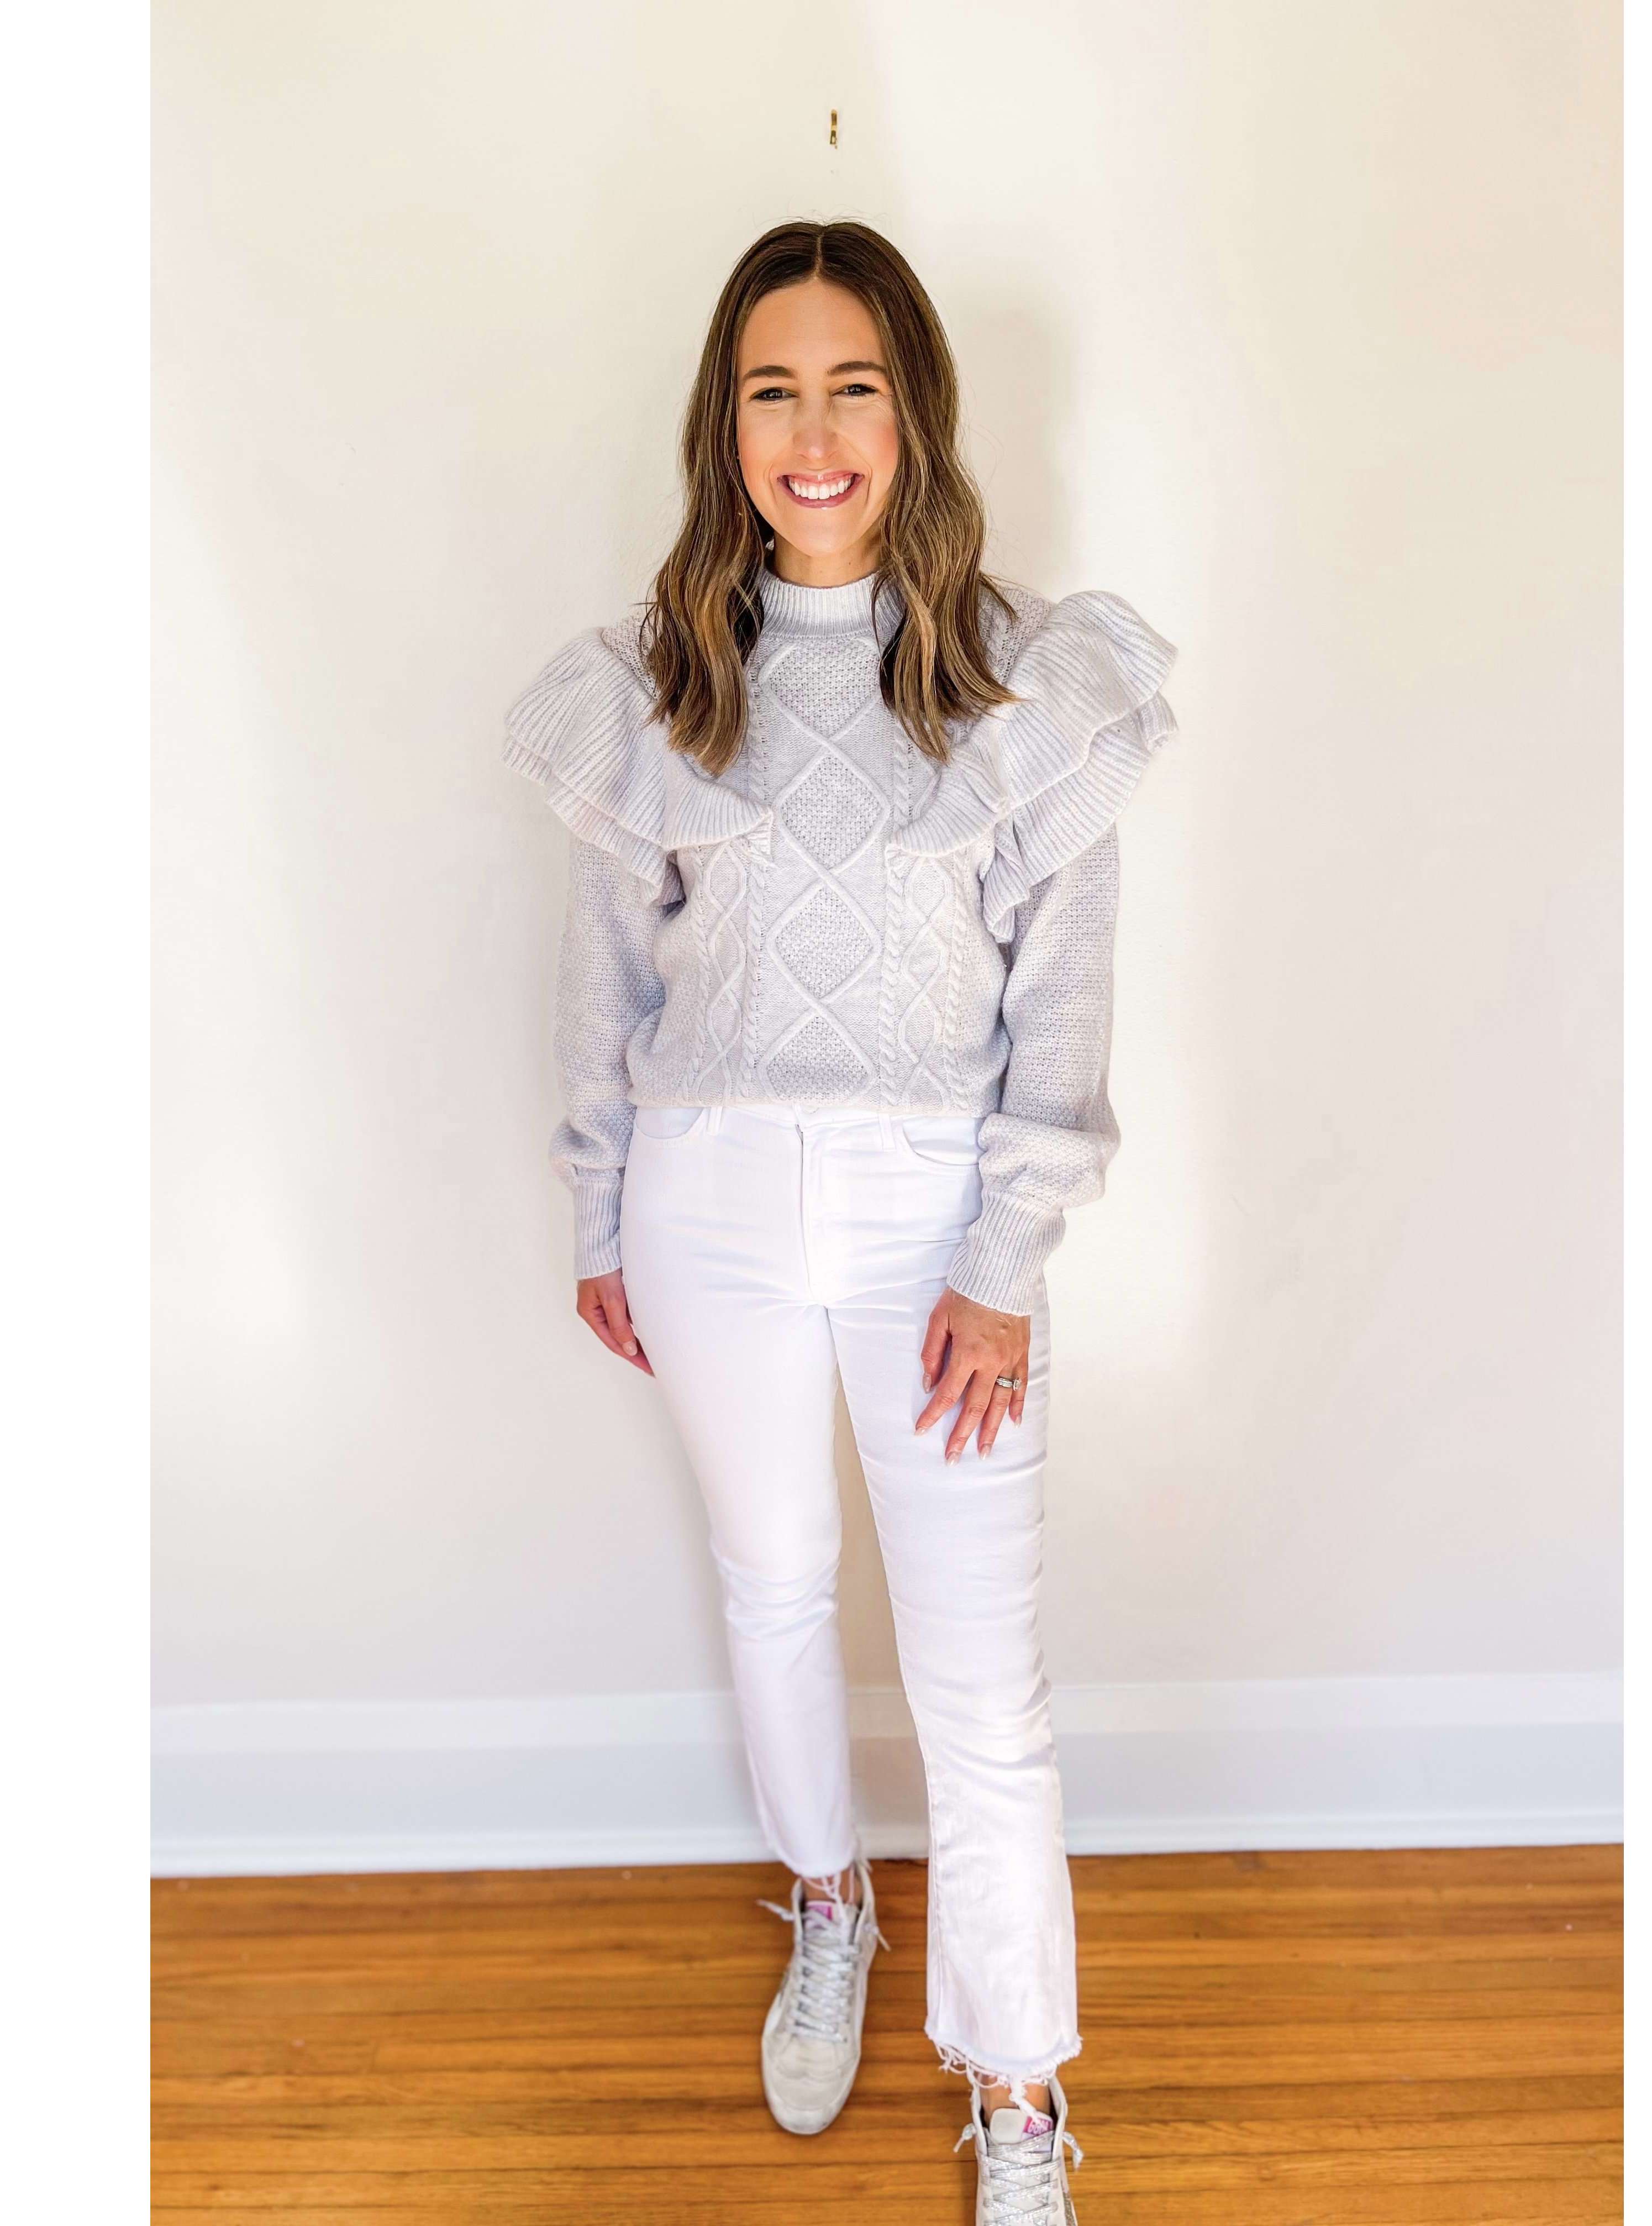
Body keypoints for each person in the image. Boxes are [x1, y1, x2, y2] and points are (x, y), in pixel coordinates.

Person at [503, 217, 1176, 2222]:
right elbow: (605, 977)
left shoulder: (1022, 683)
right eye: (772, 391)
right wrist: (602, 1208)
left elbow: (1063, 998)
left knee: (982, 1687)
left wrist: (1004, 1258)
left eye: (852, 388)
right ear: (725, 425)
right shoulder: (660, 685)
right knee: (775, 1580)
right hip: (705, 1197)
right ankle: (827, 1895)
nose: (813, 435)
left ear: (914, 414)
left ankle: (1020, 2085)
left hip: (930, 1219)